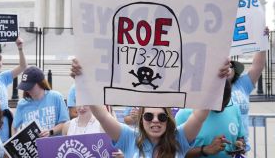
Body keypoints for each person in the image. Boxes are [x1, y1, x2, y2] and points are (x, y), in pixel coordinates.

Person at [70, 58, 230, 158]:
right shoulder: (128, 137)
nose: (155, 121)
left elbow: (199, 116)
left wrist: (216, 79)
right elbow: (103, 116)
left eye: (161, 117)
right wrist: (82, 81)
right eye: (148, 116)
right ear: (141, 119)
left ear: (168, 120)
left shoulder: (179, 138)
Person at [175, 79, 246, 157]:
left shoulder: (234, 108)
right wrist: (205, 149)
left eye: (225, 104)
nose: (221, 109)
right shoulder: (184, 113)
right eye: (218, 105)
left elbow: (240, 137)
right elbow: (173, 151)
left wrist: (240, 144)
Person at [228, 26, 268, 152]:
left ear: (235, 71)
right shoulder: (211, 86)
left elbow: (258, 65)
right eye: (225, 65)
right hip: (220, 147)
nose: (228, 67)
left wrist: (262, 41)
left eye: (231, 66)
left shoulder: (242, 84)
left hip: (241, 147)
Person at [13, 66, 69, 137]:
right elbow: (14, 127)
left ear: (40, 83)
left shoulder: (56, 97)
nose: (27, 90)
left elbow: (65, 123)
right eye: (25, 87)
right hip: (33, 147)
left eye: (30, 86)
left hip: (54, 145)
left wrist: (51, 132)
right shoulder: (22, 104)